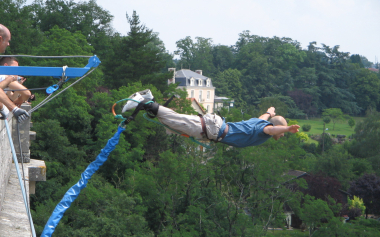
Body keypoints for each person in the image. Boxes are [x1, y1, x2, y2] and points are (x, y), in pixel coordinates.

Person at [122, 89, 300, 148]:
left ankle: (150, 101)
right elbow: (271, 128)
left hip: (213, 128)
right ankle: (143, 101)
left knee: (173, 122)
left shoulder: (261, 121)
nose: (283, 134)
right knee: (174, 121)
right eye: (282, 132)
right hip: (213, 129)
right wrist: (287, 128)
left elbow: (265, 117)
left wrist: (270, 111)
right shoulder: (266, 130)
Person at [0, 24, 30, 122]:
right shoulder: (5, 77)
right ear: (0, 39)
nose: (8, 44)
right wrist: (14, 108)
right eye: (7, 41)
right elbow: (26, 93)